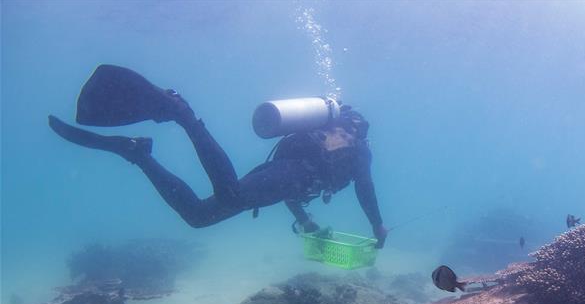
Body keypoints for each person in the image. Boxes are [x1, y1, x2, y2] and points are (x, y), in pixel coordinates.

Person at [48, 65, 388, 247]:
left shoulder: (335, 145)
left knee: (198, 217)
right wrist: (377, 225)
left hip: (285, 173)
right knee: (231, 195)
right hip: (290, 173)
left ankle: (138, 153)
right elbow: (365, 187)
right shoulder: (360, 151)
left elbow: (292, 184)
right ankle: (182, 114)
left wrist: (304, 219)